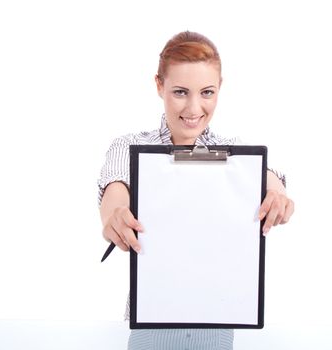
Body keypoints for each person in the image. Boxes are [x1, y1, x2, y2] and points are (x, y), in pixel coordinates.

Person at [98, 31, 294, 350]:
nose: (193, 107)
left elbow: (268, 176)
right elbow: (116, 189)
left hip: (216, 322)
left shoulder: (235, 154)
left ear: (219, 89)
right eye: (179, 91)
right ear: (159, 85)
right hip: (152, 323)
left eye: (206, 92)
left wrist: (276, 193)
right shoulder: (130, 147)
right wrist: (116, 214)